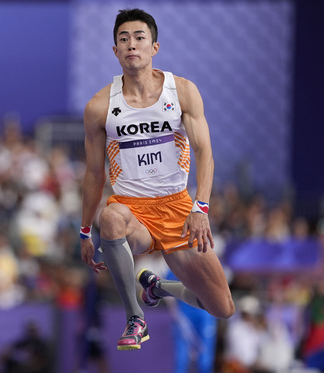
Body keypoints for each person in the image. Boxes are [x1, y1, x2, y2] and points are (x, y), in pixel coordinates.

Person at [80, 8, 235, 350]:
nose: (131, 45)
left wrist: (201, 207)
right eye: (123, 39)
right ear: (115, 51)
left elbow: (204, 152)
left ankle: (158, 288)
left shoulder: (181, 92)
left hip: (179, 209)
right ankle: (136, 317)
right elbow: (93, 173)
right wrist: (85, 231)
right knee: (111, 218)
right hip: (132, 211)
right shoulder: (100, 106)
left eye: (139, 38)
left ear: (154, 47)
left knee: (221, 308)